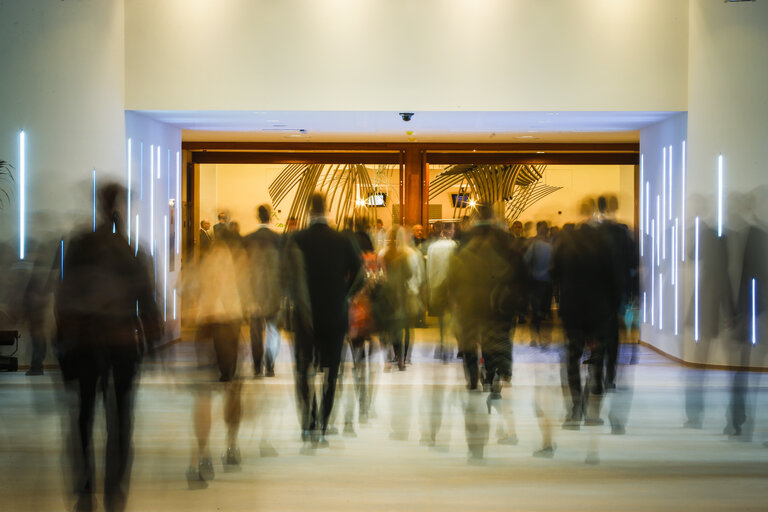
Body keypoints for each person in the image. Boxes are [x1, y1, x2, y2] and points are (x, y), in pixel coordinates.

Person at [55, 182, 161, 512]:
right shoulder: (131, 249)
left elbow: (64, 296)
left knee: (84, 415)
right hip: (121, 343)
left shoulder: (80, 245)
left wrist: (63, 341)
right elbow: (146, 299)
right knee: (120, 418)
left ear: (99, 205)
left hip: (87, 342)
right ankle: (114, 488)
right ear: (121, 206)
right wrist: (152, 340)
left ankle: (85, 488)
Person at [290, 193, 363, 447]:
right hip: (334, 313)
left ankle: (308, 420)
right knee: (332, 371)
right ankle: (322, 422)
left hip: (305, 315)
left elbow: (287, 276)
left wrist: (293, 299)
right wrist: (345, 294)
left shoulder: (297, 239)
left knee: (303, 369)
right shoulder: (343, 240)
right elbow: (360, 273)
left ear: (309, 209)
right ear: (327, 209)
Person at [186, 239, 247, 487]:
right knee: (233, 387)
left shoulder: (201, 262)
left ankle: (200, 457)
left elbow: (185, 289)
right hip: (229, 325)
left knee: (204, 393)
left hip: (205, 326)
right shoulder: (237, 261)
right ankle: (231, 446)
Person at [244, 205, 282, 377]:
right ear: (270, 218)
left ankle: (257, 366)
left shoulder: (249, 239)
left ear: (258, 217)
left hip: (254, 293)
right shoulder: (278, 239)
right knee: (273, 330)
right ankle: (270, 364)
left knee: (256, 332)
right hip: (274, 293)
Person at [426, 222, 456, 360]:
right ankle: (447, 343)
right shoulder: (453, 246)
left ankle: (442, 342)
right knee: (450, 316)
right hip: (450, 286)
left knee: (440, 316)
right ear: (450, 230)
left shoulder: (432, 247)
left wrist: (431, 286)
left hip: (436, 285)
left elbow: (429, 268)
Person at [525, 221, 553, 347]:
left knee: (540, 309)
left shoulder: (535, 244)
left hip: (540, 281)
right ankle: (540, 337)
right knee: (540, 309)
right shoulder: (547, 244)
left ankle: (537, 337)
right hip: (541, 281)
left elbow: (526, 260)